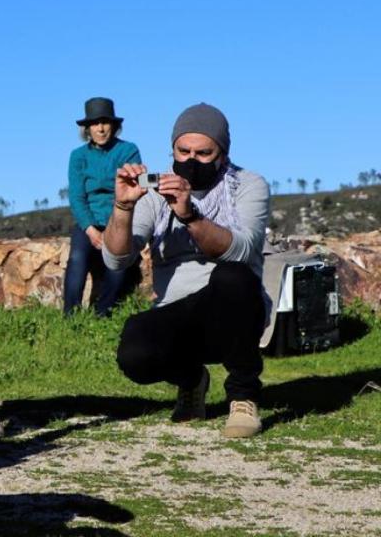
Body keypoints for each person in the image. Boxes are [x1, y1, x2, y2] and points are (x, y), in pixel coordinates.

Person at [102, 103, 270, 438]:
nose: (191, 159)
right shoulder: (155, 192)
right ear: (173, 149)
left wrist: (190, 216)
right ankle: (192, 380)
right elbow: (116, 260)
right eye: (183, 150)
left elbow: (242, 249)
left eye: (203, 152)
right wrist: (122, 206)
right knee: (135, 351)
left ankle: (243, 395)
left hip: (233, 307)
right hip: (177, 310)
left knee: (232, 274)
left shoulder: (249, 186)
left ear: (223, 152)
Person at [64, 97, 142, 317]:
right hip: (88, 220)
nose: (100, 128)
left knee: (117, 263)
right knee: (77, 258)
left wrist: (115, 225)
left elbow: (133, 185)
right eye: (95, 123)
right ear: (87, 128)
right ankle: (70, 315)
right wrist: (90, 229)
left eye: (105, 122)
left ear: (114, 126)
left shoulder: (128, 150)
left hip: (119, 218)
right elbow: (77, 196)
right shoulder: (77, 156)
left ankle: (103, 312)